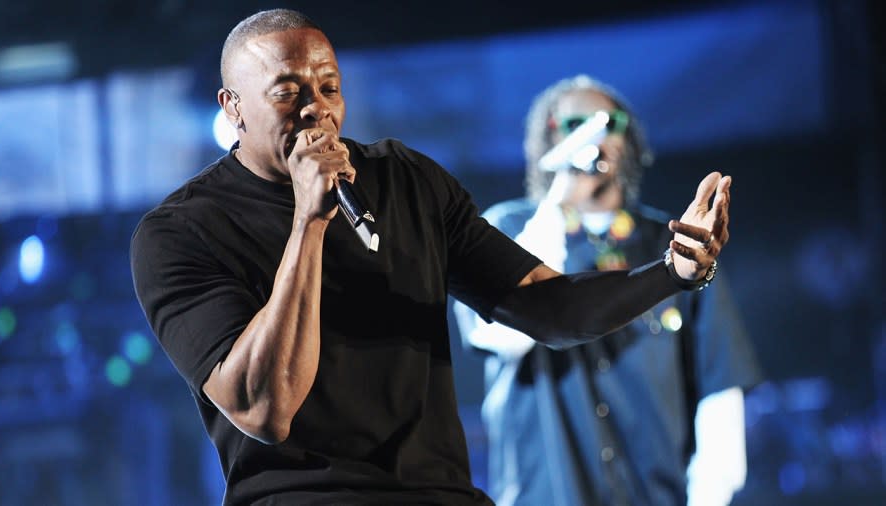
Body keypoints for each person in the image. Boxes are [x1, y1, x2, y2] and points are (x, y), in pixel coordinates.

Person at [130, 9, 734, 506]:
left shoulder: (404, 180)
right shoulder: (182, 233)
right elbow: (264, 408)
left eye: (329, 87)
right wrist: (308, 221)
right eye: (287, 93)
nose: (317, 109)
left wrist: (672, 274)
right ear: (232, 107)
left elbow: (546, 308)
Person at [453, 75, 761, 506]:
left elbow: (719, 385)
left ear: (628, 137)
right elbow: (505, 337)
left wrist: (711, 493)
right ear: (549, 138)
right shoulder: (505, 230)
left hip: (652, 493)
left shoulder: (672, 243)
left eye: (607, 122)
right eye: (576, 124)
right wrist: (561, 198)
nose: (594, 136)